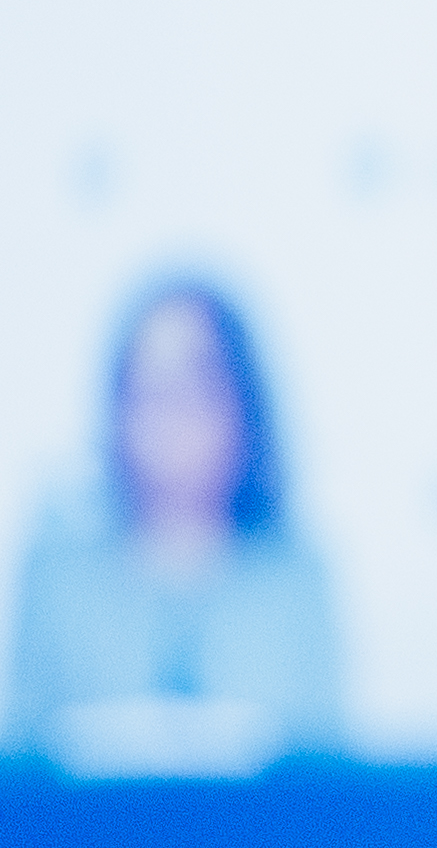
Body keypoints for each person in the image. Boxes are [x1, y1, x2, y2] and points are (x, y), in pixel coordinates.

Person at [11, 274, 341, 771]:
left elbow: (315, 779)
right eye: (148, 392)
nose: (170, 419)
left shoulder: (294, 579)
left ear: (243, 407)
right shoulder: (57, 577)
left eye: (194, 389)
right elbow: (25, 778)